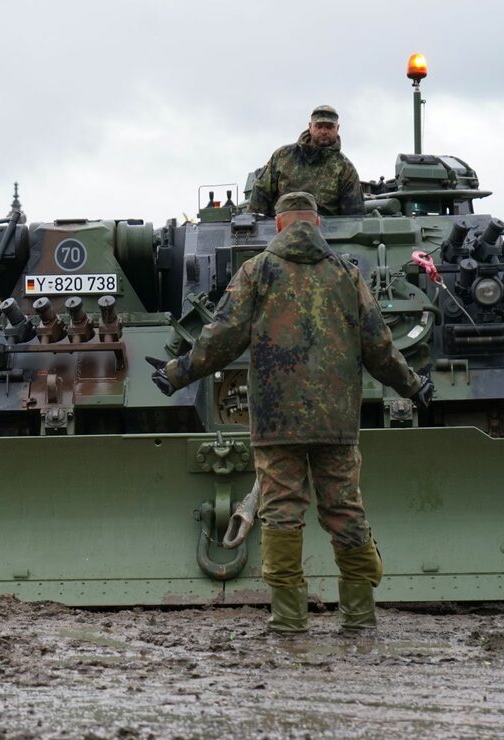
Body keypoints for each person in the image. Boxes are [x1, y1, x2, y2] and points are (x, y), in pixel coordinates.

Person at [148, 192, 433, 633]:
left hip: (276, 422)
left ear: (279, 226)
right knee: (345, 511)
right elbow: (380, 349)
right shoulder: (347, 275)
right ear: (317, 225)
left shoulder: (257, 272)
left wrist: (177, 372)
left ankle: (288, 623)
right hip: (336, 423)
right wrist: (414, 386)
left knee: (281, 514)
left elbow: (220, 339)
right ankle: (359, 618)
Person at [247, 106, 364, 217]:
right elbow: (259, 197)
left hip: (325, 234)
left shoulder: (345, 169)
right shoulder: (283, 156)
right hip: (280, 231)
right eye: (319, 126)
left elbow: (354, 217)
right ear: (310, 126)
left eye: (329, 127)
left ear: (337, 128)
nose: (324, 131)